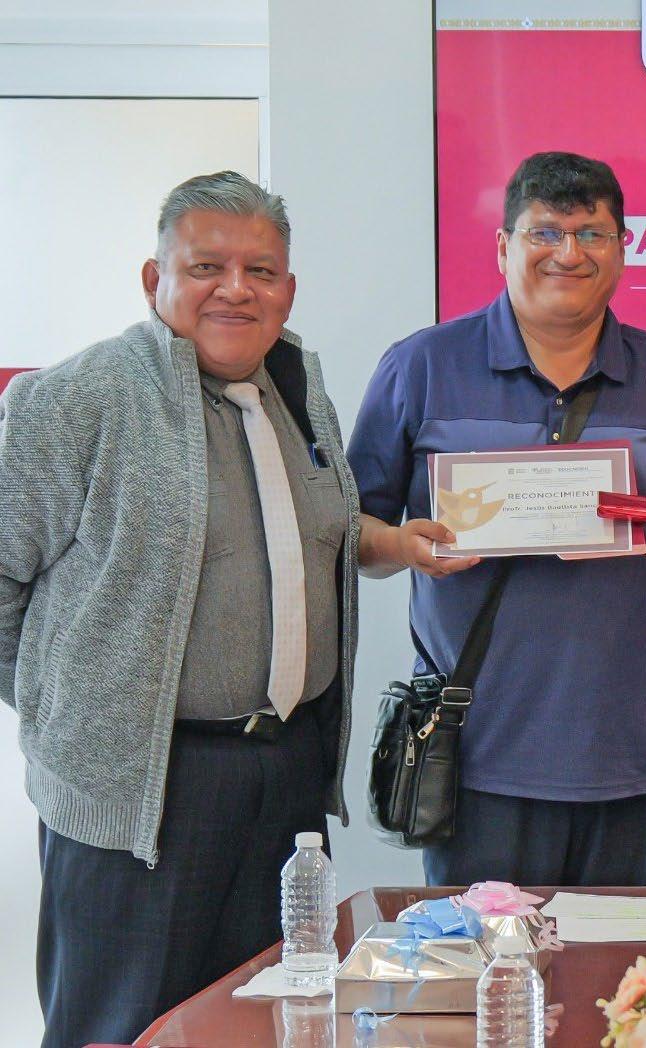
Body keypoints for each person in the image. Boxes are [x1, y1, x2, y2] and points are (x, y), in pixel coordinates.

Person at [0, 171, 360, 1048]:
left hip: (285, 776)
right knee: (121, 1029)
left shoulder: (297, 391)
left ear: (288, 290)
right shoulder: (77, 398)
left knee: (266, 1022)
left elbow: (308, 538)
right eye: (206, 266)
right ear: (153, 278)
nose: (236, 289)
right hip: (144, 791)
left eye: (260, 271)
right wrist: (69, 710)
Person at [349, 151, 646, 888]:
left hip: (633, 764)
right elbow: (351, 538)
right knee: (484, 964)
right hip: (476, 766)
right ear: (503, 247)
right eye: (545, 233)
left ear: (622, 249)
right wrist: (402, 543)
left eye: (592, 234)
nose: (569, 253)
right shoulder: (420, 367)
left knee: (630, 965)